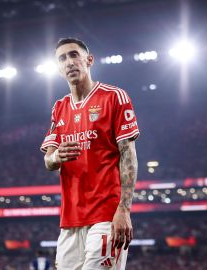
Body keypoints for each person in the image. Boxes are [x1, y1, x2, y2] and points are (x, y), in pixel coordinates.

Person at [40, 38, 139, 270]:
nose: (69, 62)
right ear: (58, 67)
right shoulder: (59, 107)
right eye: (62, 58)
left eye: (74, 55)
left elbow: (128, 156)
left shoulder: (114, 97)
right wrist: (56, 157)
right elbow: (49, 160)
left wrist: (124, 209)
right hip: (70, 220)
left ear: (89, 60)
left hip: (106, 215)